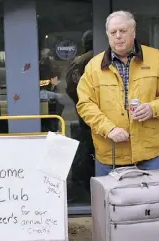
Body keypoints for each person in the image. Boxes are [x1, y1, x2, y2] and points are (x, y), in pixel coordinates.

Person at [76, 11, 159, 176]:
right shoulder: (93, 67)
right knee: (111, 202)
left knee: (149, 201)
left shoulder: (158, 59)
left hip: (148, 154)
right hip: (110, 154)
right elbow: (85, 104)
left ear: (133, 32)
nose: (118, 36)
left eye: (123, 31)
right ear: (108, 35)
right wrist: (108, 129)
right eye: (113, 32)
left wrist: (153, 108)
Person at [65, 30, 95, 193]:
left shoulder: (81, 60)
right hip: (92, 110)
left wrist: (81, 103)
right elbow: (72, 86)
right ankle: (83, 183)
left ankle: (82, 182)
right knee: (89, 146)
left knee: (87, 144)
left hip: (86, 109)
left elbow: (70, 87)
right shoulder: (91, 59)